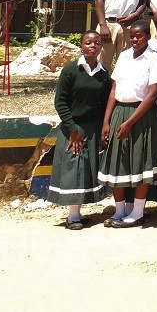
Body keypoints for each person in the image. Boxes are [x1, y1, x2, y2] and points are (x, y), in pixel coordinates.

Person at [98, 20, 157, 227]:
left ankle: (137, 212)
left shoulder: (154, 60)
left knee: (140, 163)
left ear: (148, 37)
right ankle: (120, 211)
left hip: (142, 115)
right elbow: (113, 90)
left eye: (139, 36)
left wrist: (130, 122)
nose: (135, 39)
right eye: (132, 36)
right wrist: (107, 121)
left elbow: (153, 94)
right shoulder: (124, 57)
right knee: (118, 163)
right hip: (120, 111)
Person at [47, 30, 111, 229]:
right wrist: (72, 128)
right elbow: (61, 102)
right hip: (73, 127)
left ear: (101, 47)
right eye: (88, 42)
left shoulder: (103, 74)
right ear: (82, 46)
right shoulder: (70, 71)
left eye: (96, 43)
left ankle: (79, 212)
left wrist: (103, 127)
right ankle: (72, 216)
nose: (92, 46)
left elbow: (104, 103)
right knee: (74, 166)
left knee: (86, 169)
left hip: (93, 128)